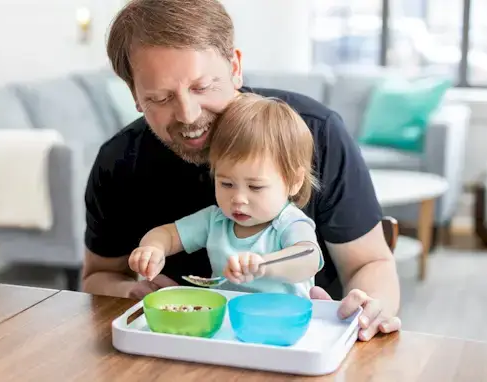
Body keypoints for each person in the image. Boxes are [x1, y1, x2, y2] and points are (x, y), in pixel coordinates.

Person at [82, 0, 401, 342]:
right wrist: (132, 292)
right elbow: (96, 277)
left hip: (300, 339)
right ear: (135, 95)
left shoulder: (313, 134)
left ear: (235, 66)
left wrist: (368, 309)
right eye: (160, 98)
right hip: (178, 343)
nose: (188, 115)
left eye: (202, 87)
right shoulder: (118, 162)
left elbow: (370, 264)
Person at [128, 93, 324, 298]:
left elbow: (308, 258)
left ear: (294, 181)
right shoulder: (216, 220)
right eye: (226, 184)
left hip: (283, 324)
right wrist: (153, 249)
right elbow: (168, 235)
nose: (238, 198)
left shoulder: (289, 223)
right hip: (226, 322)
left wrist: (263, 265)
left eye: (255, 187)